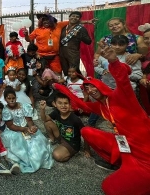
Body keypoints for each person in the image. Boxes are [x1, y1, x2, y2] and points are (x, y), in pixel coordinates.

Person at [54, 43, 150, 195]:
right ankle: (117, 162)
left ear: (101, 85)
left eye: (92, 86)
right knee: (86, 131)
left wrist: (113, 61)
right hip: (125, 146)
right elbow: (81, 105)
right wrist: (62, 89)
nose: (90, 90)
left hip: (145, 156)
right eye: (87, 89)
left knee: (109, 188)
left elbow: (123, 81)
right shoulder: (101, 107)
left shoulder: (121, 97)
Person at [1, 88, 54, 174]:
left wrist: (31, 127)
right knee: (18, 143)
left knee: (36, 141)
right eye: (9, 99)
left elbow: (29, 120)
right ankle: (21, 161)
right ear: (5, 99)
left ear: (16, 97)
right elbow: (11, 125)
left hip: (26, 128)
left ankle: (36, 159)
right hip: (14, 131)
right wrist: (24, 129)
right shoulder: (5, 110)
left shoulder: (24, 106)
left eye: (13, 98)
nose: (11, 100)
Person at [39, 93, 90, 162]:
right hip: (61, 136)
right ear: (55, 104)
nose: (63, 106)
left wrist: (86, 149)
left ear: (70, 105)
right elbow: (44, 119)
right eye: (60, 103)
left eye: (66, 103)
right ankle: (52, 139)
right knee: (47, 122)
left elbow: (85, 134)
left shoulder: (75, 119)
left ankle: (70, 152)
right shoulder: (56, 112)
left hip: (72, 143)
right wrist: (42, 109)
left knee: (57, 155)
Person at [59, 11, 92, 76]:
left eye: (77, 17)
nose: (75, 18)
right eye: (73, 16)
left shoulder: (81, 29)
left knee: (74, 72)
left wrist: (79, 35)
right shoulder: (63, 28)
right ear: (69, 17)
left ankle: (80, 84)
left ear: (79, 19)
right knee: (66, 72)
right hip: (62, 53)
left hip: (73, 54)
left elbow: (89, 41)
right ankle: (68, 85)